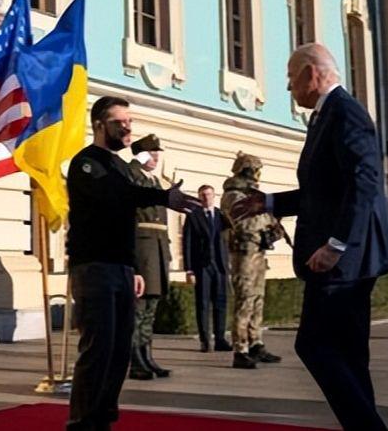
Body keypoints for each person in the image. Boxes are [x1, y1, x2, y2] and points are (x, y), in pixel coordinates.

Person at [231, 43, 388, 431]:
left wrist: (336, 245)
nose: (290, 88)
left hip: (344, 257)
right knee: (349, 353)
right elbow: (322, 191)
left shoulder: (344, 113)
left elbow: (364, 183)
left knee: (313, 344)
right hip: (349, 253)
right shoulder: (327, 115)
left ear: (312, 73)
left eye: (292, 78)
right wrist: (269, 202)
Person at [66, 96, 203, 431]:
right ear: (99, 124)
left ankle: (103, 417)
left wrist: (135, 268)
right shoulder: (87, 163)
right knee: (98, 349)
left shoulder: (120, 166)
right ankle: (83, 422)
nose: (127, 128)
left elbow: (125, 216)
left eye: (129, 122)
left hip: (120, 268)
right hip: (94, 267)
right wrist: (160, 197)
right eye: (119, 122)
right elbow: (113, 194)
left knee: (119, 351)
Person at [220, 152, 285, 369]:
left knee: (258, 299)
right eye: (256, 169)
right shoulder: (233, 194)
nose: (258, 174)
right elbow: (243, 220)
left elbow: (267, 217)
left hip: (258, 252)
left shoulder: (254, 194)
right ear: (247, 169)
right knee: (245, 300)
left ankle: (256, 342)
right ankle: (241, 349)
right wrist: (263, 225)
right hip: (244, 254)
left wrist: (274, 228)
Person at [126, 134, 171, 380]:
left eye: (157, 153)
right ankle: (135, 360)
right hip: (142, 253)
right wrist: (134, 266)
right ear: (139, 154)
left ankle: (147, 355)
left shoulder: (153, 181)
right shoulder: (132, 178)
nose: (155, 157)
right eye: (151, 153)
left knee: (150, 309)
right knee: (139, 310)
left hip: (157, 251)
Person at [183, 185, 230, 353]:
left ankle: (220, 339)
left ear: (214, 196)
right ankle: (205, 340)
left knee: (221, 303)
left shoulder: (221, 215)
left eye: (209, 195)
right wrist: (189, 270)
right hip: (201, 267)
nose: (206, 198)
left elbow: (230, 237)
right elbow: (187, 244)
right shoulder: (193, 216)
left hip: (220, 266)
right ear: (199, 197)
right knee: (202, 304)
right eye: (203, 195)